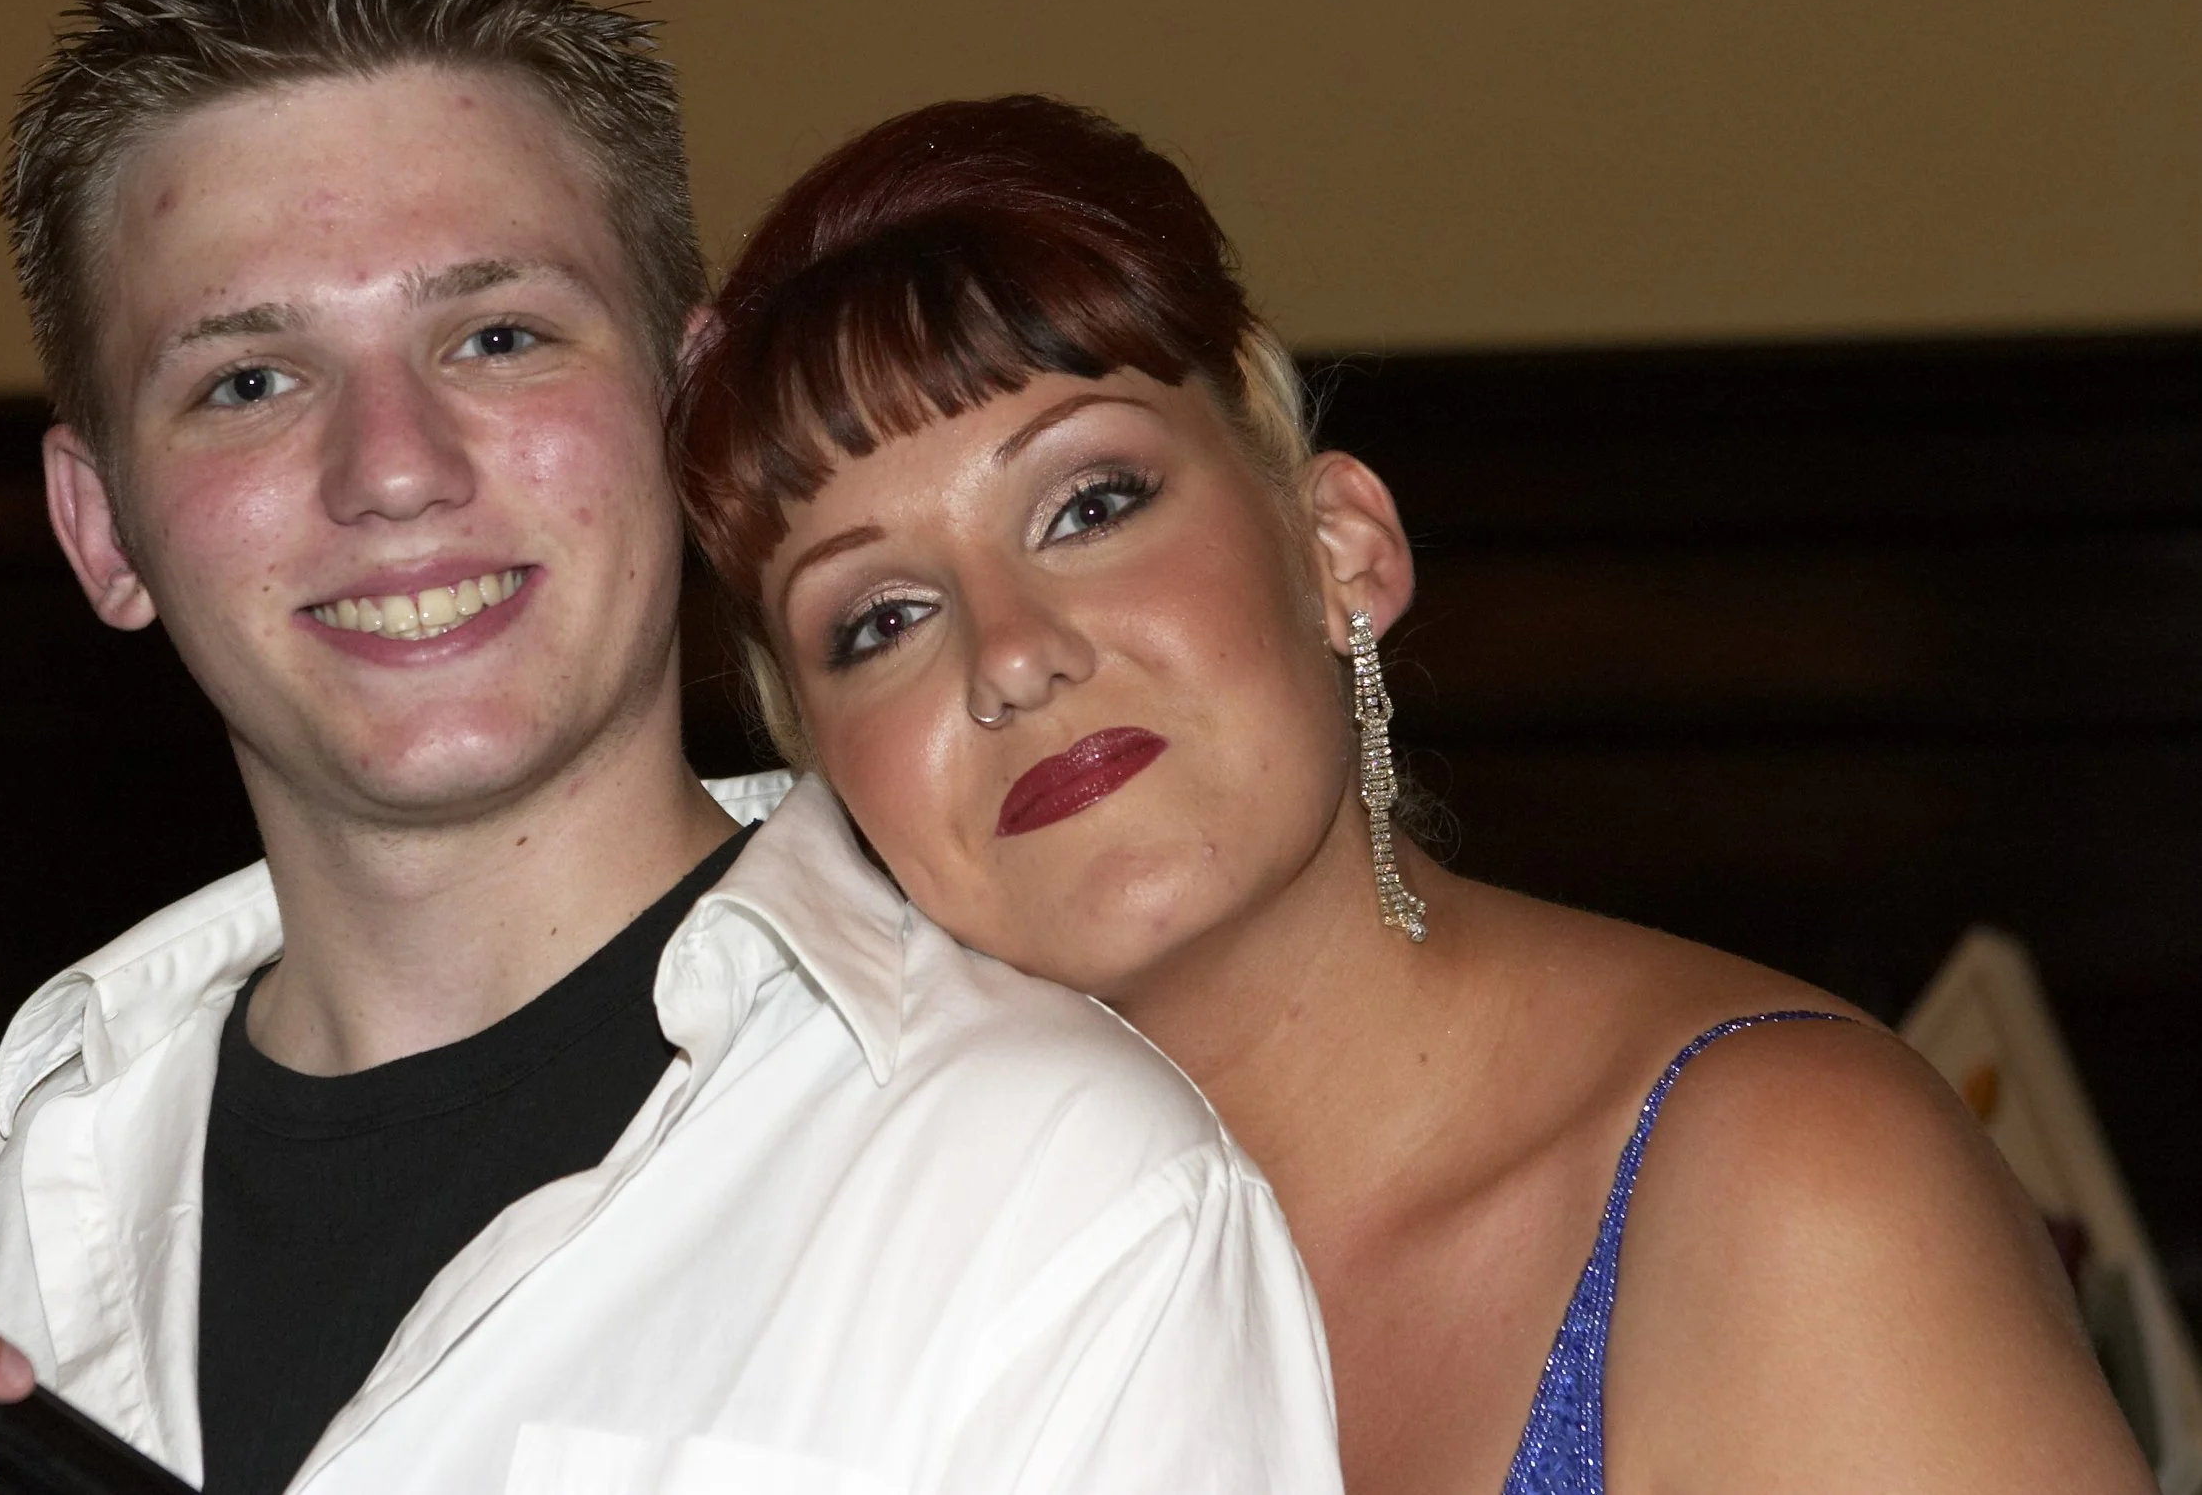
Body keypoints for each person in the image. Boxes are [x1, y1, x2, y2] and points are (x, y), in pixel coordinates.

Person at [0, 0, 1342, 1495]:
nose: (393, 469)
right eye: (249, 380)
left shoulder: (1052, 1197)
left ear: (682, 414)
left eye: (496, 337)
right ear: (102, 529)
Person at [673, 93, 2157, 1494]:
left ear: (1339, 549)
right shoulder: (859, 1311)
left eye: (1088, 504)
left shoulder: (1797, 1188)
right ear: (823, 782)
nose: (1010, 654)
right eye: (879, 620)